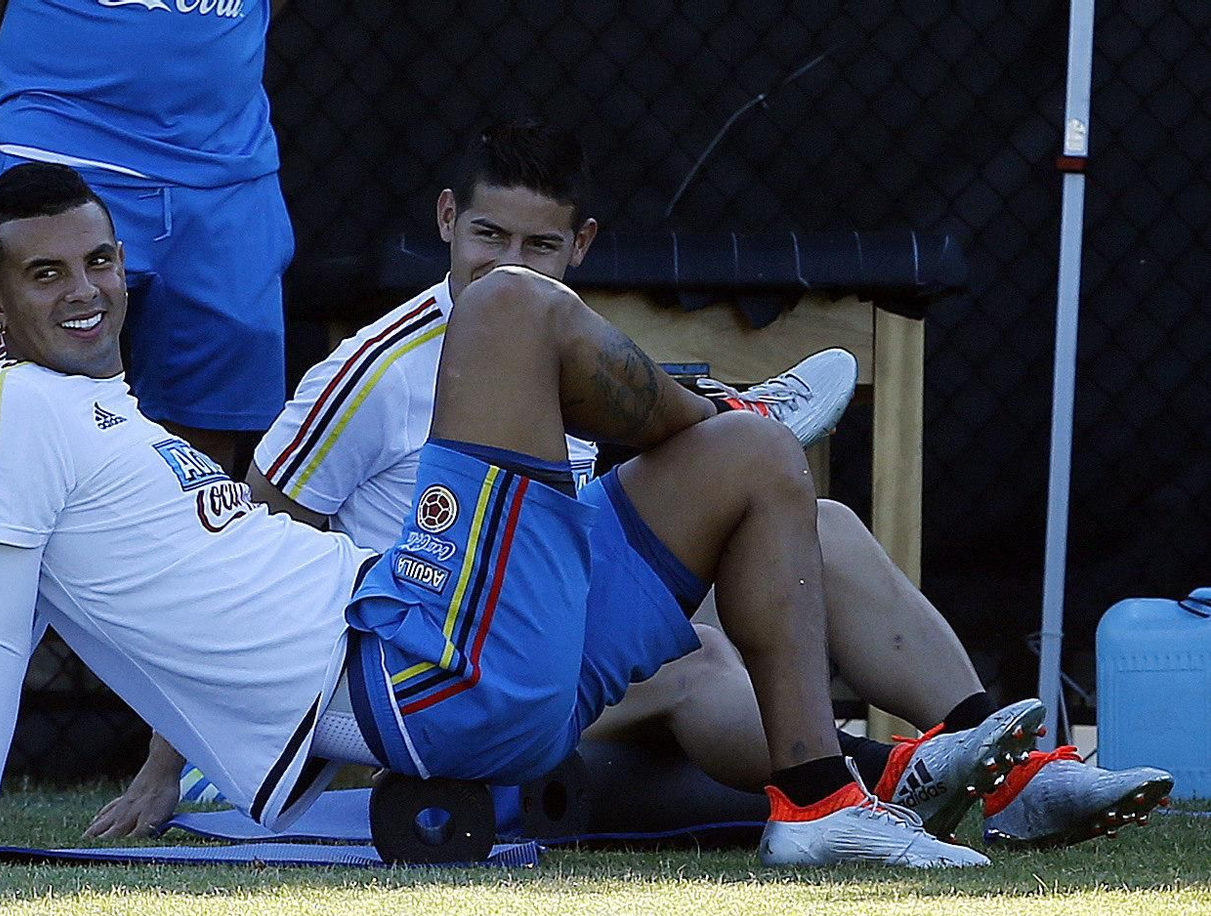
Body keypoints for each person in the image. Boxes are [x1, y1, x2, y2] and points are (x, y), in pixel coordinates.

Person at [0, 162, 1035, 868]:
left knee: (758, 469)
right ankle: (698, 402)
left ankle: (819, 806)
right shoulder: (1, 413)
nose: (84, 291)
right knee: (505, 305)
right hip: (413, 669)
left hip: (463, 647)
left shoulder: (109, 413)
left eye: (99, 262)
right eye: (45, 274)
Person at [85, 121, 1174, 850]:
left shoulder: (561, 337)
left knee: (808, 511)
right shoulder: (373, 365)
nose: (504, 263)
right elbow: (244, 554)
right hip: (439, 661)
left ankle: (1009, 767)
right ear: (442, 223)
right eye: (485, 236)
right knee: (700, 653)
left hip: (537, 615)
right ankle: (890, 774)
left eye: (537, 245)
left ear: (581, 245)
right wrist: (165, 763)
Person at [0, 0, 296, 802]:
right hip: (67, 141)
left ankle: (196, 736)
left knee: (203, 451)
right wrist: (49, 83)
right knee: (0, 427)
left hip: (228, 164)